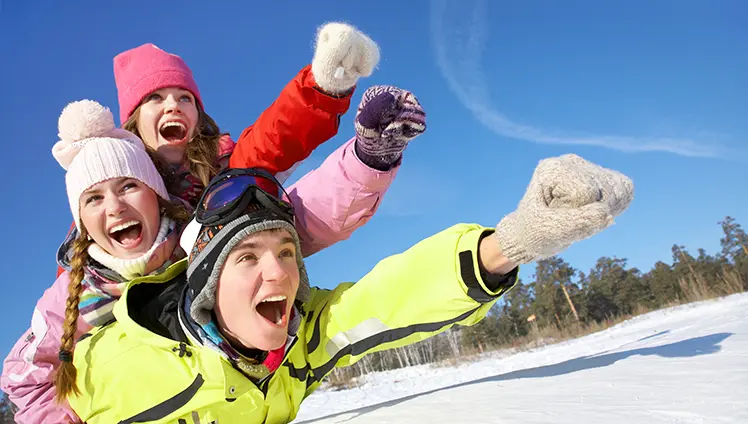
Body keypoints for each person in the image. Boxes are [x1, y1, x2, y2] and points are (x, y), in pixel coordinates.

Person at [63, 110, 634, 422]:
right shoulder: (111, 368)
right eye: (248, 258)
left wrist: (510, 242)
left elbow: (388, 298)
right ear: (207, 281)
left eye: (287, 254)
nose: (281, 274)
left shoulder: (299, 344)